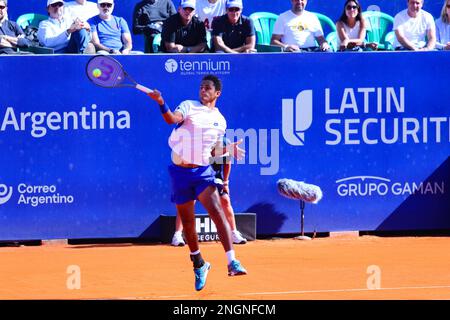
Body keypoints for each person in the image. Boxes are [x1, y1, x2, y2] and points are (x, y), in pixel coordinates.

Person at [147, 75, 248, 291]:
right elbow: (172, 119)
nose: (203, 90)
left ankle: (232, 261)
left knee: (217, 211)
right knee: (189, 224)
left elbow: (211, 151)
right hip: (179, 173)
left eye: (208, 88)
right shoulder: (188, 106)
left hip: (202, 172)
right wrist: (161, 103)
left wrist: (226, 150)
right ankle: (199, 263)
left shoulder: (221, 121)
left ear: (217, 93)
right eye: (201, 87)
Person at [171, 137, 248, 246]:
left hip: (215, 177)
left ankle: (234, 233)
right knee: (187, 202)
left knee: (225, 200)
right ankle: (177, 235)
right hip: (198, 175)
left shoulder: (225, 142)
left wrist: (226, 182)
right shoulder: (200, 143)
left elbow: (227, 163)